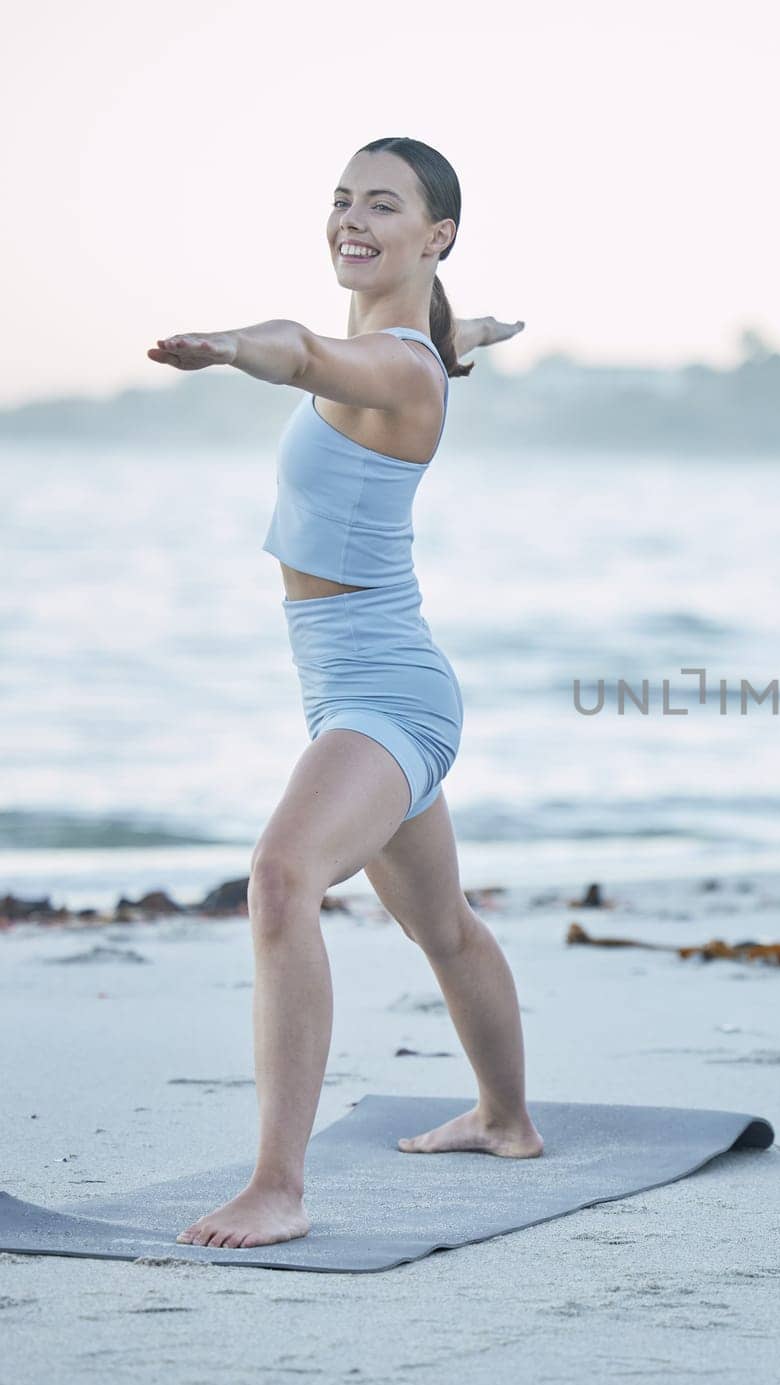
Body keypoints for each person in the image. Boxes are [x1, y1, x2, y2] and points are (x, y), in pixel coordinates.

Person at [147, 138, 539, 1249]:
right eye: (340, 201)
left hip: (387, 695)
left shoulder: (394, 366)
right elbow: (424, 342)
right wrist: (481, 331)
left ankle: (279, 1184)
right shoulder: (415, 350)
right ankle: (506, 1119)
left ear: (437, 234)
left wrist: (233, 345)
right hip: (361, 688)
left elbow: (310, 353)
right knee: (441, 924)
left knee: (281, 877)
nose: (350, 218)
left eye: (382, 204)